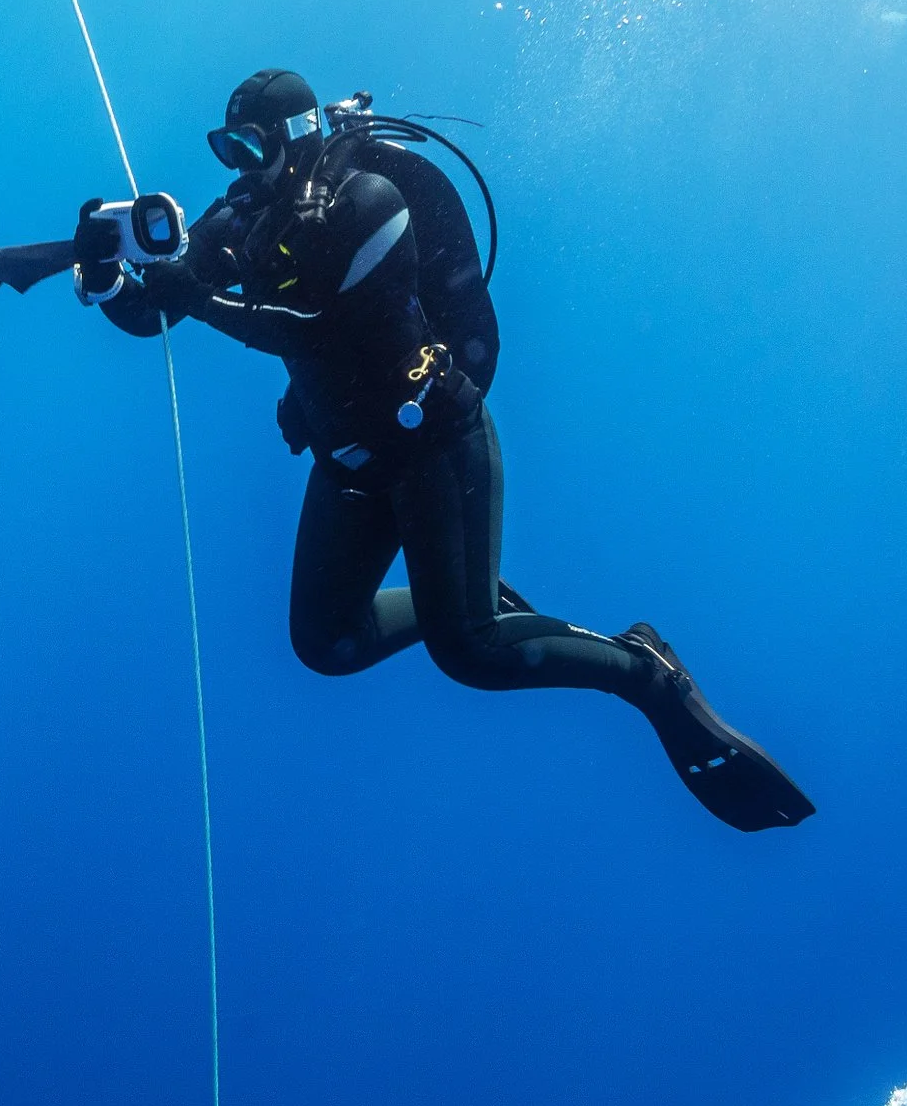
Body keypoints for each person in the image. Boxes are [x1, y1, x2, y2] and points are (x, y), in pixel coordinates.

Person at [72, 68, 810, 831]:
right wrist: (107, 280)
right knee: (326, 642)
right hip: (351, 460)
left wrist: (197, 298)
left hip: (435, 446)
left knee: (472, 654)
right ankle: (460, 591)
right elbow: (158, 310)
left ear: (297, 140)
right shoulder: (243, 221)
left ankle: (644, 675)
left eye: (250, 147)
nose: (238, 169)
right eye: (227, 149)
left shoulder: (371, 206)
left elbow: (317, 329)